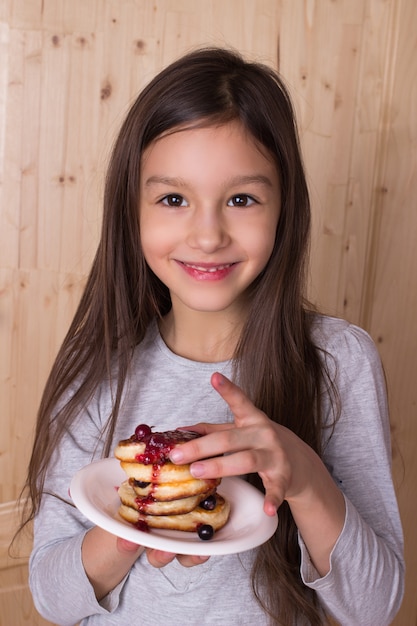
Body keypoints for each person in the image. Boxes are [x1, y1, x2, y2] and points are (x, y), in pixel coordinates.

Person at [20, 47, 404, 626]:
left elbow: (375, 608)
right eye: (173, 199)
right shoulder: (96, 371)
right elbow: (51, 598)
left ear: (284, 210)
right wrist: (137, 524)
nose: (207, 235)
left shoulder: (336, 359)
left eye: (242, 199)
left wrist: (301, 474)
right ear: (133, 212)